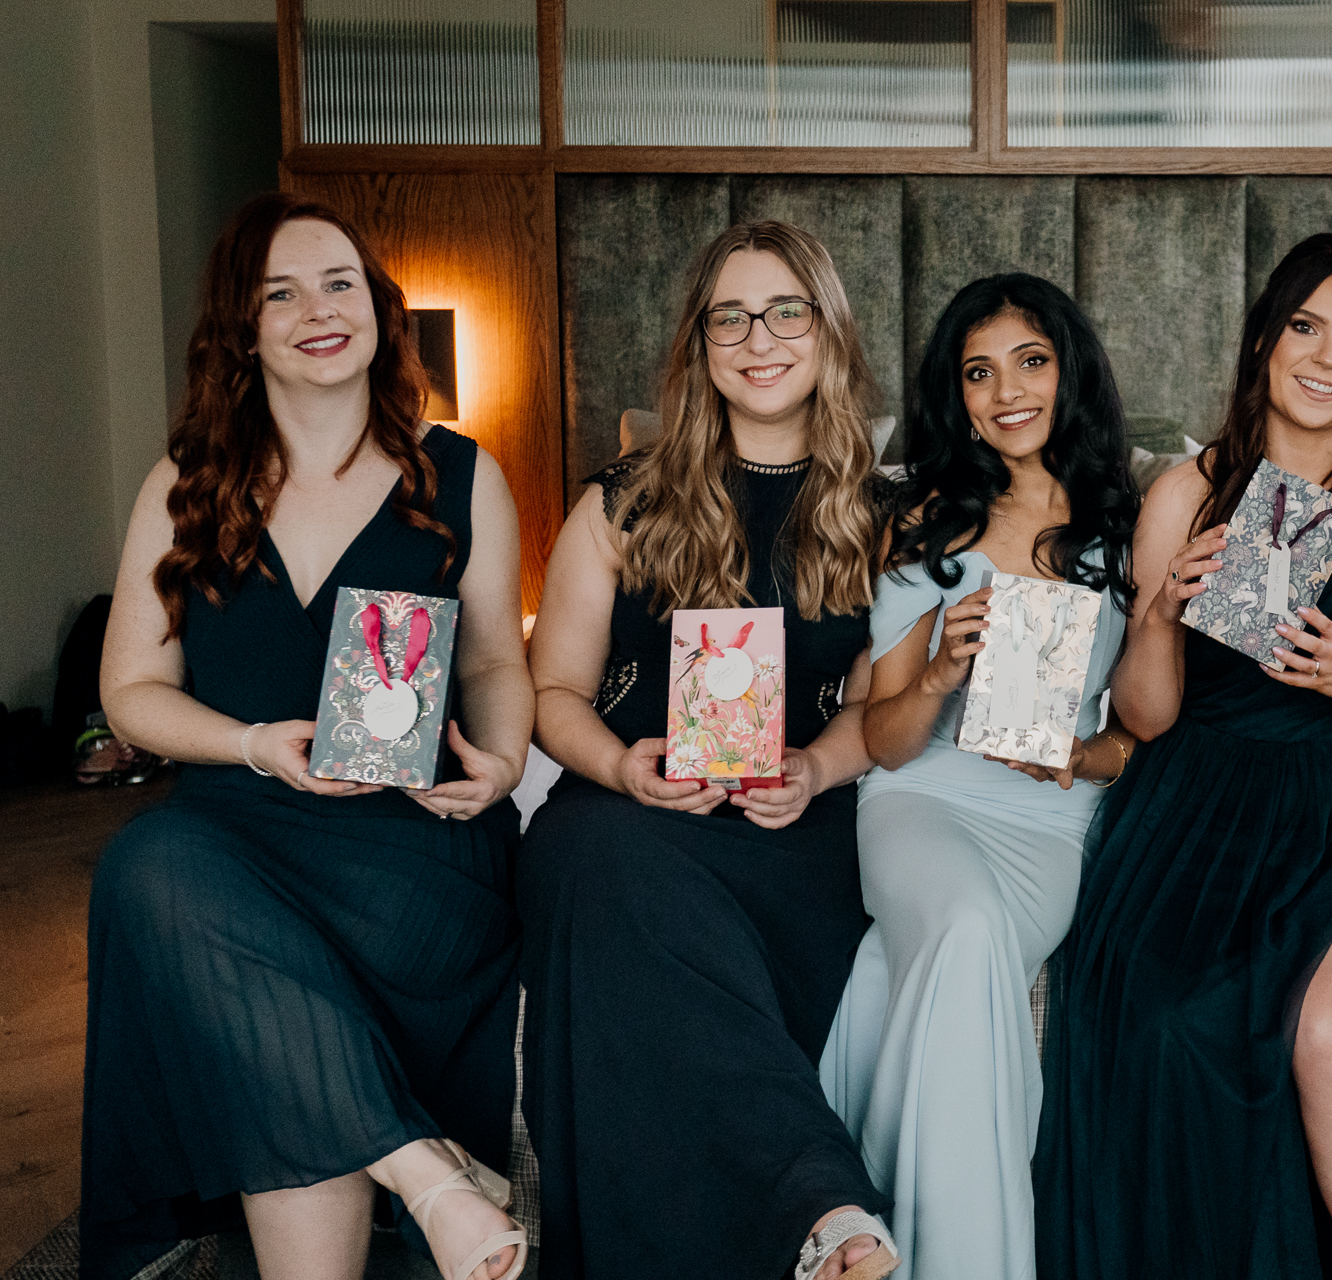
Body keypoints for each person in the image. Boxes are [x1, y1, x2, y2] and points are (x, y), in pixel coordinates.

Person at [85, 192, 533, 1280]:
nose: (316, 310)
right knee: (152, 862)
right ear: (242, 329)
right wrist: (252, 744)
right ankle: (429, 1170)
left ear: (380, 310)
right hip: (238, 834)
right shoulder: (183, 487)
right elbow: (132, 688)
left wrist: (506, 760)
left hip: (412, 847)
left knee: (250, 989)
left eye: (339, 283)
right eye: (279, 292)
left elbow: (490, 659)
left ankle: (417, 1173)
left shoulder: (463, 472)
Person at [1034, 233, 1332, 1279]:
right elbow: (1144, 717)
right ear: (1266, 341)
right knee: (1165, 1021)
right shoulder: (1187, 492)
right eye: (1306, 327)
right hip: (1202, 796)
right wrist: (1159, 611)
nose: (1327, 357)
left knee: (1326, 1027)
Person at [517, 220, 900, 1280]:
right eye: (728, 314)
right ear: (698, 341)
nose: (757, 336)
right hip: (627, 810)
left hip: (794, 825)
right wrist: (620, 767)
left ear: (828, 332)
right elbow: (553, 689)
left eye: (786, 310)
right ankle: (822, 1203)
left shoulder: (888, 515)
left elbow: (880, 706)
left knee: (661, 912)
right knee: (608, 863)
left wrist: (818, 766)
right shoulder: (619, 499)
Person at [820, 274, 1141, 1279]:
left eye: (1030, 361)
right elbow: (884, 738)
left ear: (1069, 369)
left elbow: (1143, 737)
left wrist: (1074, 756)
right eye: (978, 371)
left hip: (1051, 819)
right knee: (962, 927)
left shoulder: (1129, 529)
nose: (1007, 390)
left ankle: (861, 1216)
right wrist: (945, 665)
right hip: (921, 796)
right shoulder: (916, 522)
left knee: (941, 954)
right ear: (953, 394)